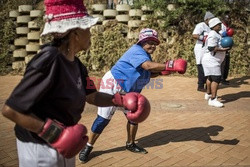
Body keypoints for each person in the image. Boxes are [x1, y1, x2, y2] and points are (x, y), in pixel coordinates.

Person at [1, 0, 150, 166]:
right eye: (87, 28)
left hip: (66, 142)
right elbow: (12, 110)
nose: (91, 34)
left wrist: (120, 100)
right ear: (75, 33)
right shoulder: (49, 59)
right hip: (39, 146)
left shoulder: (77, 65)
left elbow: (92, 97)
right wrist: (53, 133)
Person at [79, 28, 187, 163]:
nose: (152, 45)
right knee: (103, 118)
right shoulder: (137, 51)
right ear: (141, 42)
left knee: (135, 116)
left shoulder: (146, 55)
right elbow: (147, 66)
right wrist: (169, 65)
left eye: (154, 42)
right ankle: (88, 147)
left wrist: (163, 72)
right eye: (149, 42)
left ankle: (130, 144)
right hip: (114, 85)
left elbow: (147, 72)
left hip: (129, 90)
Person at [202, 17, 230, 108]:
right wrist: (223, 50)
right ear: (213, 26)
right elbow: (211, 48)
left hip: (212, 60)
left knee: (211, 77)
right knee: (216, 78)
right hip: (211, 60)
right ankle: (213, 99)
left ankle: (208, 94)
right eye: (218, 25)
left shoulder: (217, 33)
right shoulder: (213, 34)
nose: (220, 26)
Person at [192, 11, 215, 92]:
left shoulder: (211, 27)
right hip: (200, 49)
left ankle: (207, 85)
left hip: (207, 49)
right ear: (207, 19)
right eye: (211, 19)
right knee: (201, 67)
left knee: (207, 66)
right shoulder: (201, 25)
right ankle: (200, 85)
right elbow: (194, 35)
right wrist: (203, 38)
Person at [220, 14, 233, 85]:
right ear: (223, 19)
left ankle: (224, 78)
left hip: (227, 46)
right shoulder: (221, 26)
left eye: (230, 18)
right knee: (223, 63)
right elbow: (219, 34)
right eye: (227, 18)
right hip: (222, 47)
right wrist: (225, 33)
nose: (229, 20)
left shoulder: (227, 26)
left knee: (227, 63)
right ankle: (221, 79)